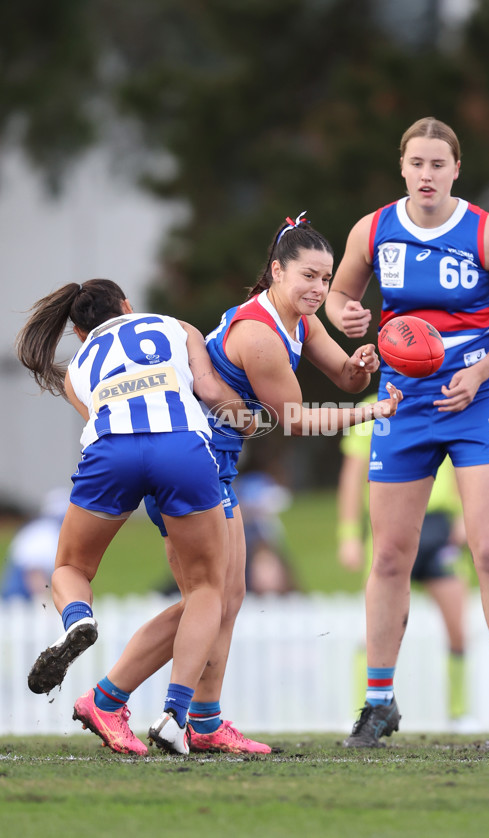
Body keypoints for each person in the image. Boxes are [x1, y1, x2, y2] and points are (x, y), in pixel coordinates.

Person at [69, 214, 401, 756]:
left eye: (326, 277)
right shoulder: (259, 335)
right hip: (189, 457)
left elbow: (345, 377)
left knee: (227, 595)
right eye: (308, 277)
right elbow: (294, 419)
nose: (319, 289)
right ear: (276, 270)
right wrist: (373, 413)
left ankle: (204, 720)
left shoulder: (300, 318)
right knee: (206, 597)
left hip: (212, 460)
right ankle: (109, 699)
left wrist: (364, 366)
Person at [325, 117, 489, 747]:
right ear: (402, 167)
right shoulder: (372, 230)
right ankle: (379, 702)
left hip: (477, 399)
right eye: (416, 163)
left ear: (456, 171)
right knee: (390, 555)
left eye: (438, 165)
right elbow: (341, 298)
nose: (426, 174)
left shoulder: (487, 234)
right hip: (403, 399)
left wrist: (479, 372)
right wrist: (351, 317)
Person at [15, 278, 254, 755]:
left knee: (70, 568)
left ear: (80, 333)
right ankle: (175, 714)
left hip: (113, 452)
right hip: (180, 449)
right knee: (209, 589)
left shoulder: (76, 367)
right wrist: (245, 415)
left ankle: (78, 618)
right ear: (128, 306)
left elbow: (98, 418)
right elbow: (207, 389)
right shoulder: (174, 326)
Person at [337, 408, 470, 726]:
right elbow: (352, 478)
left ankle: (459, 712)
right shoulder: (372, 407)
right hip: (390, 526)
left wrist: (465, 517)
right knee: (374, 625)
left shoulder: (445, 399)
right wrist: (348, 534)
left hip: (440, 527)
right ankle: (366, 709)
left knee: (458, 627)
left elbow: (463, 462)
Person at [0, 487, 70, 601]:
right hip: (20, 597)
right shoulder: (47, 532)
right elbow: (35, 573)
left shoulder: (37, 528)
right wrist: (47, 602)